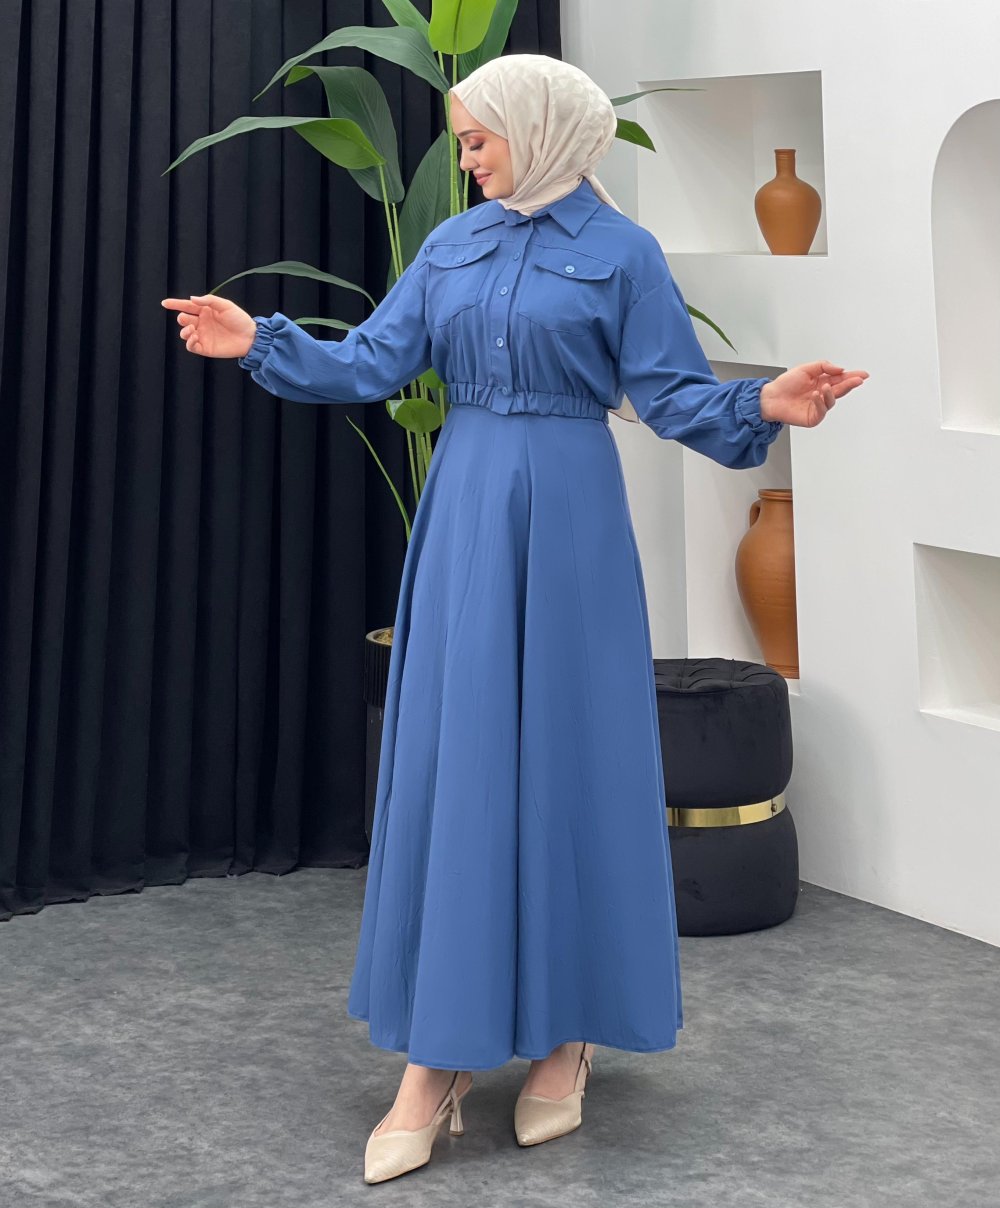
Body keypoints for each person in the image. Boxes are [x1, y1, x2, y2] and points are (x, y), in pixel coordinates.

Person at [161, 53, 869, 1185]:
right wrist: (264, 343)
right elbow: (375, 360)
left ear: (541, 133)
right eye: (464, 139)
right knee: (463, 762)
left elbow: (672, 395)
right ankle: (435, 1059)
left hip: (572, 517)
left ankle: (565, 1034)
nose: (468, 160)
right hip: (466, 512)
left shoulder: (624, 254)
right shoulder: (452, 244)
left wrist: (766, 402)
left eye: (480, 139)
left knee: (571, 762)